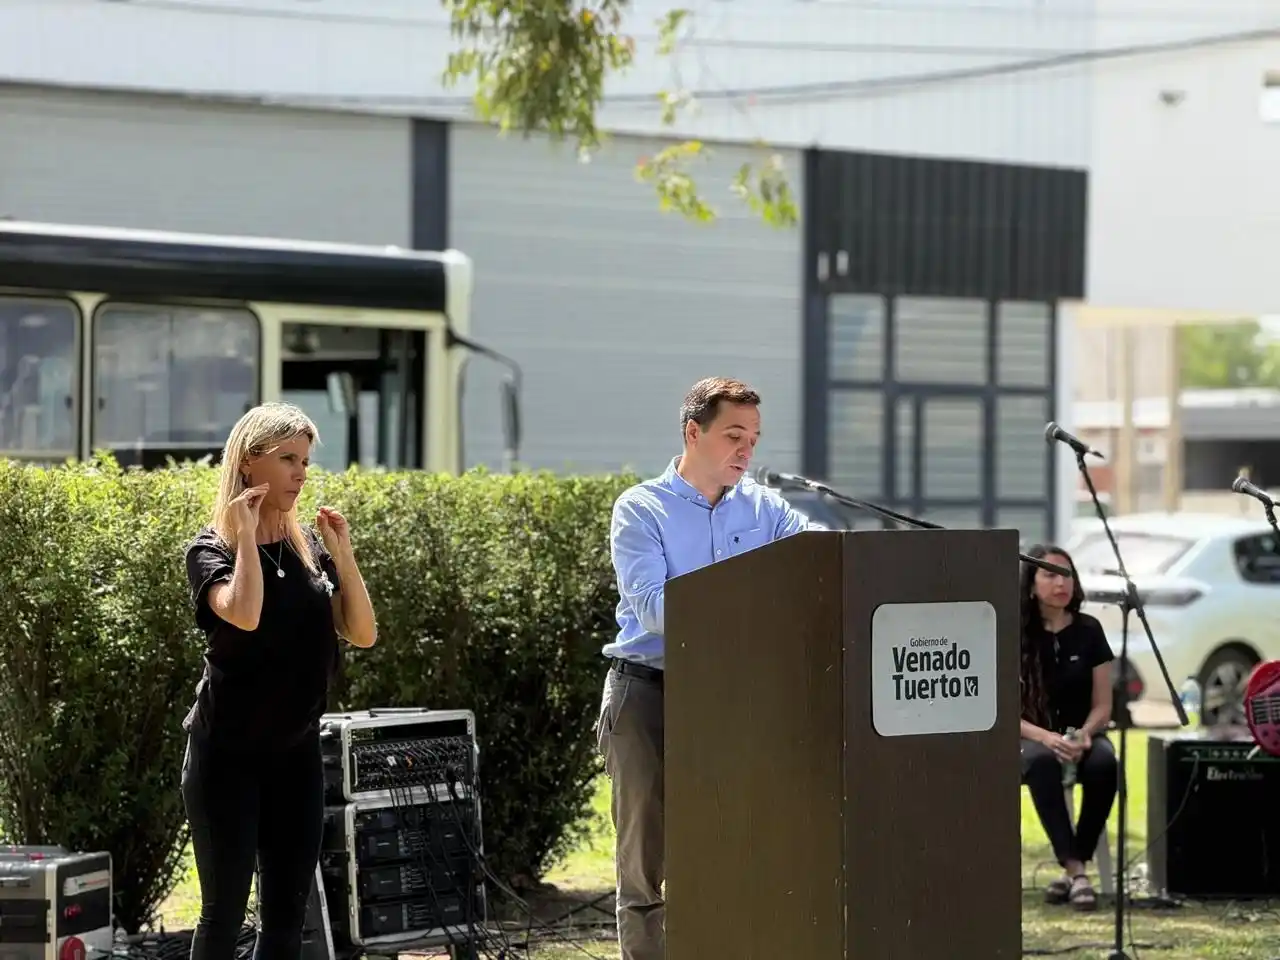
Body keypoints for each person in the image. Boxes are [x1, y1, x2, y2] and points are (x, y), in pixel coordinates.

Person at [597, 376, 818, 960]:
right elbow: (654, 607)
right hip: (649, 694)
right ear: (694, 433)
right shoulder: (641, 508)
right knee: (645, 857)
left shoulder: (767, 509)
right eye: (734, 436)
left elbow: (823, 562)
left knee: (734, 840)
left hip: (734, 697)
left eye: (755, 438)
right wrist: (757, 607)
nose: (746, 450)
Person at [182, 402, 378, 960]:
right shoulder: (211, 550)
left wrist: (343, 555)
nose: (301, 473)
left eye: (306, 462)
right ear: (249, 462)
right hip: (226, 757)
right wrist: (247, 535)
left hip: (295, 755)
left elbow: (362, 632)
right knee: (223, 914)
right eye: (288, 459)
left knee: (287, 919)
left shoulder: (309, 549)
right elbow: (244, 614)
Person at [1019, 542, 1118, 912]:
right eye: (1050, 575)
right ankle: (1077, 871)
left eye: (1067, 575)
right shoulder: (1015, 632)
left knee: (1104, 764)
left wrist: (1085, 734)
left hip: (1083, 732)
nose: (1061, 583)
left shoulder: (1090, 630)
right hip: (1030, 735)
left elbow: (1103, 705)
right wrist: (1047, 738)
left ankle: (1075, 869)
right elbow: (1000, 710)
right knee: (1042, 762)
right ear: (1031, 585)